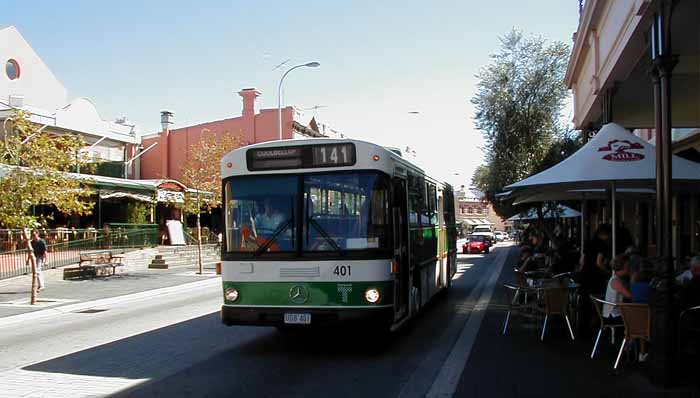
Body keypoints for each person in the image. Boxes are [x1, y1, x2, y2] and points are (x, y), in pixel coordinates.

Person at [603, 255, 632, 322]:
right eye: (628, 266)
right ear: (622, 267)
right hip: (613, 315)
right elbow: (629, 295)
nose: (630, 268)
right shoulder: (615, 281)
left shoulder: (618, 279)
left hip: (617, 313)